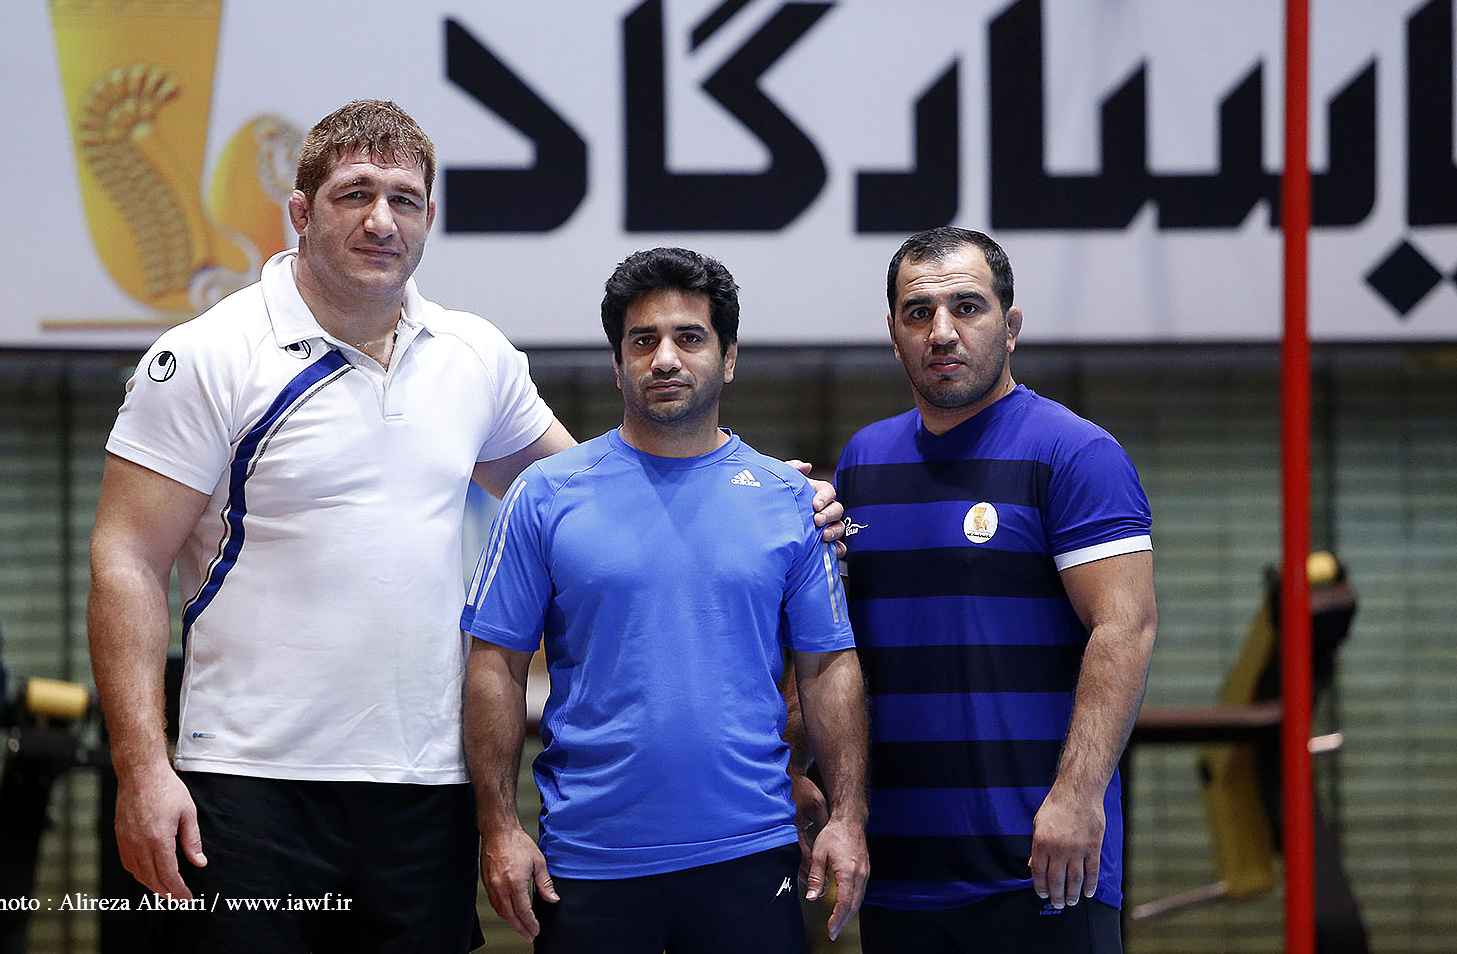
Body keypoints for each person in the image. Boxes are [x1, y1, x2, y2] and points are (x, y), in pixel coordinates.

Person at [87, 100, 844, 953]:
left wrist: (769, 494)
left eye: (404, 200)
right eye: (354, 194)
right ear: (299, 211)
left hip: (426, 785)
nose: (381, 221)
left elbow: (599, 501)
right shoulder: (207, 355)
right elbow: (126, 560)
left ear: (430, 217)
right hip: (250, 779)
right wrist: (141, 767)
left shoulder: (474, 356)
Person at [460, 247, 870, 954]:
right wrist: (498, 828)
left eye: (690, 337)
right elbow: (494, 665)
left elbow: (828, 668)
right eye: (643, 341)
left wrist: (848, 816)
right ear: (617, 364)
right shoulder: (545, 495)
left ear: (729, 358)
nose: (665, 358)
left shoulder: (788, 501)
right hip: (589, 860)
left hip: (753, 853)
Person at [814, 227, 1158, 953]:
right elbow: (838, 649)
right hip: (899, 871)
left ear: (1011, 325)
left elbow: (1125, 627)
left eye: (967, 307)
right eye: (918, 313)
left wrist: (1077, 797)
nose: (942, 331)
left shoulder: (1075, 453)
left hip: (1043, 865)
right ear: (894, 333)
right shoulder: (864, 461)